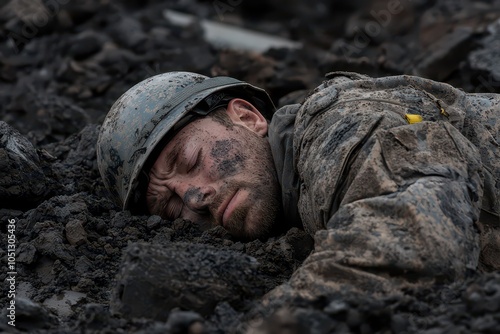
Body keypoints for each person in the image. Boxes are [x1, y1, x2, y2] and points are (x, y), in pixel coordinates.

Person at [97, 71, 499, 297]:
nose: (193, 196)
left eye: (189, 160)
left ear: (248, 118)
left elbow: (419, 235)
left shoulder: (335, 125)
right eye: (170, 208)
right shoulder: (291, 207)